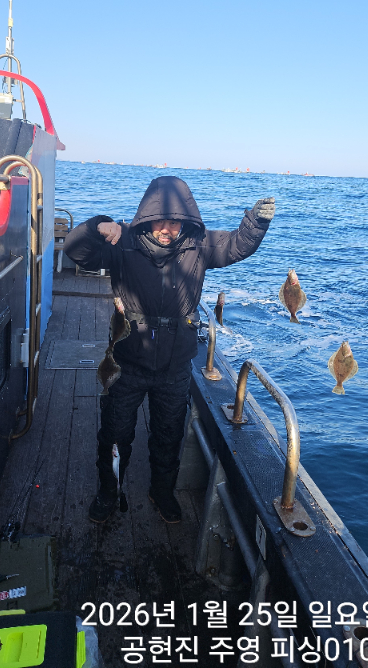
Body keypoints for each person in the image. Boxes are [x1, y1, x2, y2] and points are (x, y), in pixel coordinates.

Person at [64, 176, 274, 524]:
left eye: (174, 222)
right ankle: (109, 491)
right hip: (127, 363)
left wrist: (256, 223)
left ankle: (162, 491)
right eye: (159, 221)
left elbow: (237, 246)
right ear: (146, 218)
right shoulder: (123, 242)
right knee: (115, 433)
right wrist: (96, 226)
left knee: (169, 434)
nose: (166, 229)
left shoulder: (199, 245)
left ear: (185, 221)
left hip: (175, 366)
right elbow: (76, 252)